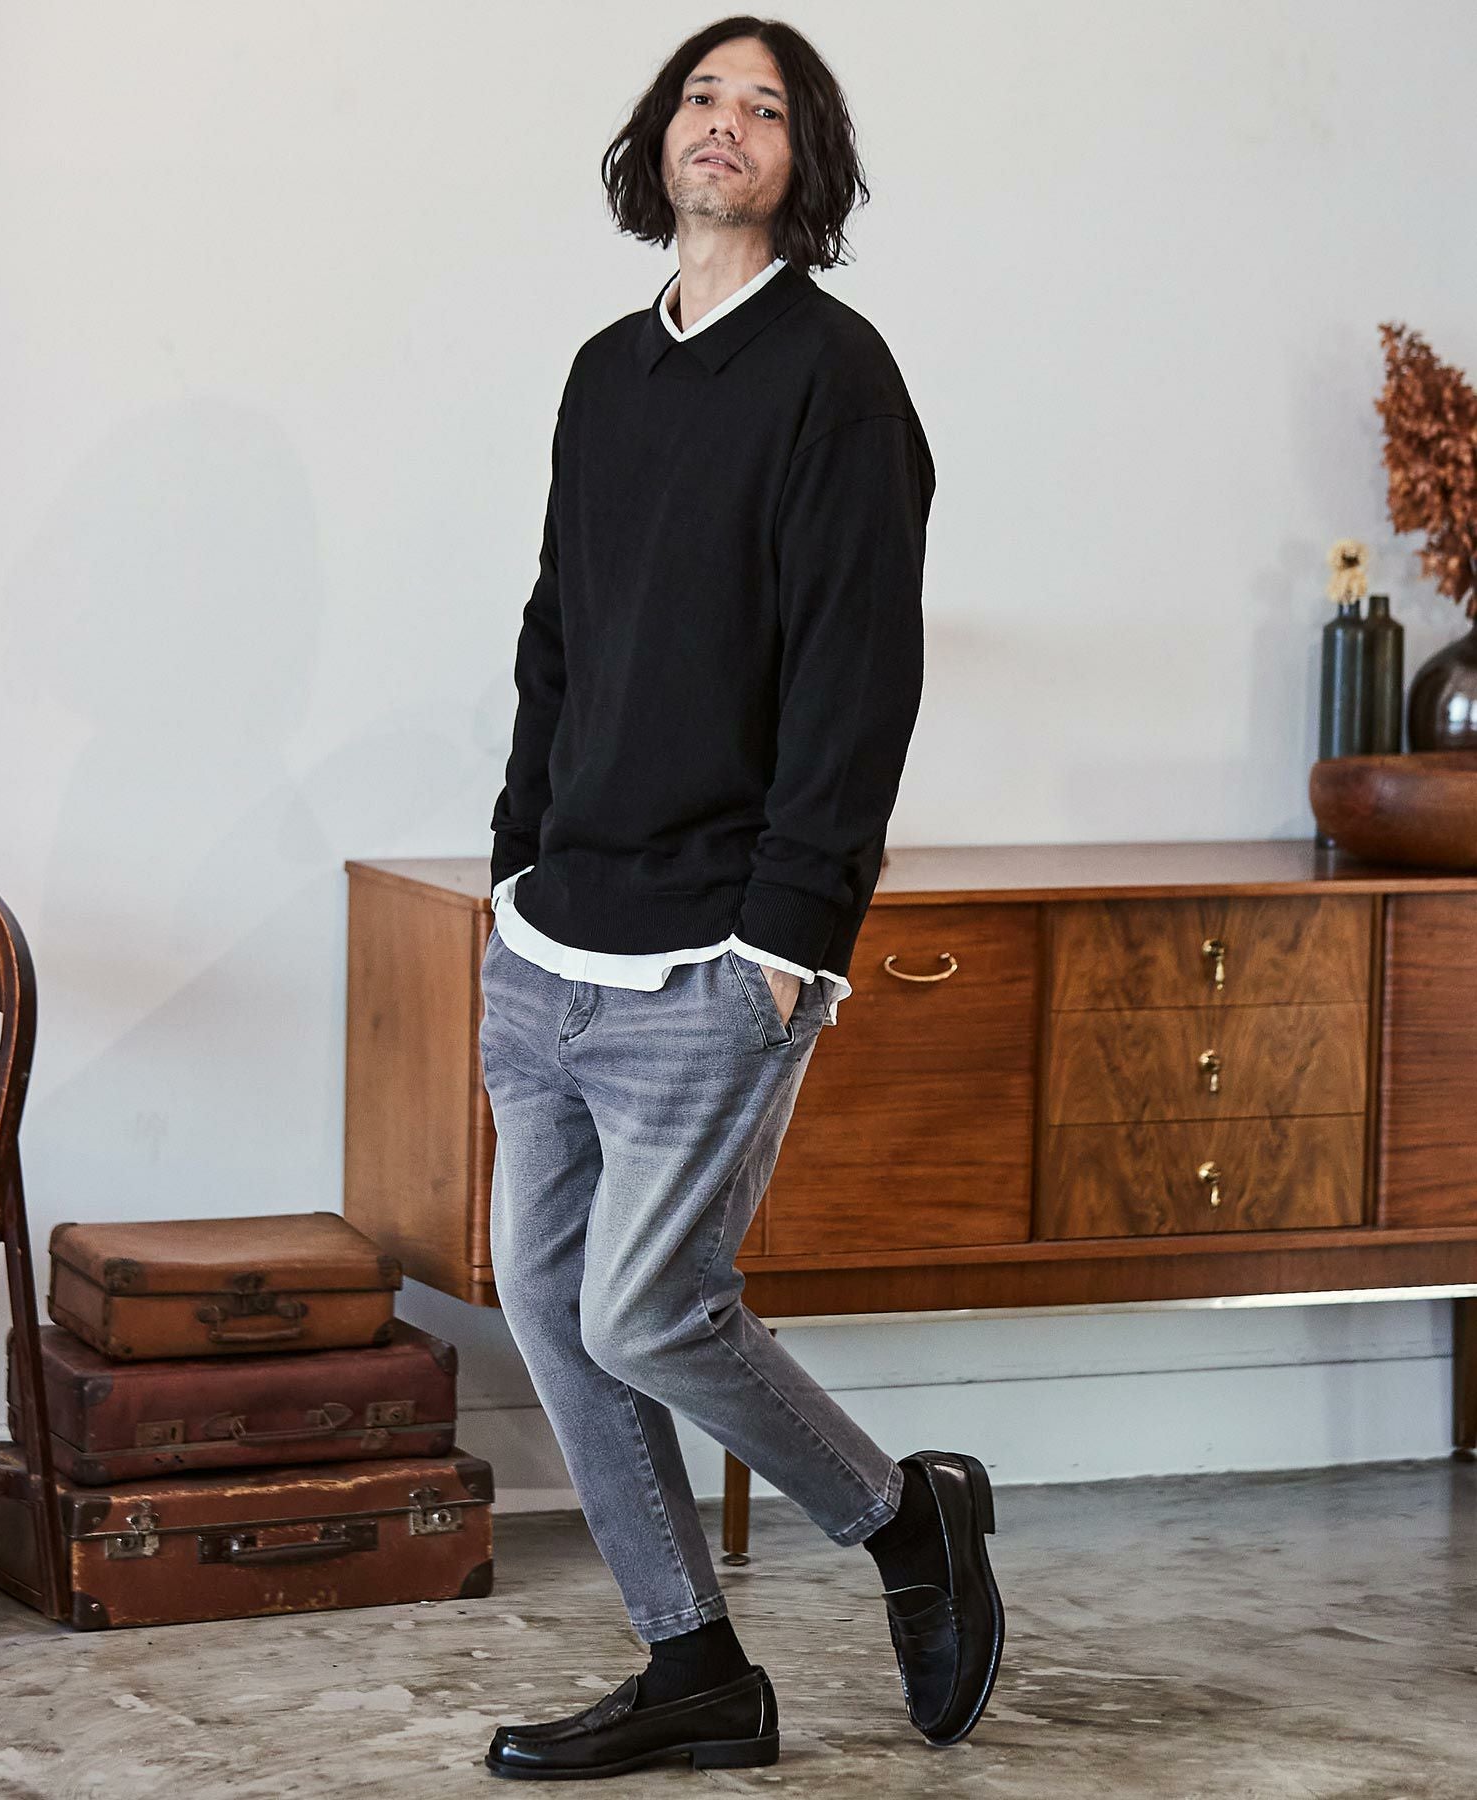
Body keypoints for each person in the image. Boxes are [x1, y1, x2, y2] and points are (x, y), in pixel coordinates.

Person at [478, 17, 1002, 1782]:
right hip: (553, 937)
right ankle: (695, 1665)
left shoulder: (838, 379)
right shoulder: (603, 373)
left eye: (764, 107)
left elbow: (862, 677)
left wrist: (792, 938)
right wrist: (513, 858)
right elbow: (558, 630)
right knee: (551, 1308)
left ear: (803, 162)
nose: (725, 124)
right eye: (703, 96)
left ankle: (904, 1518)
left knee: (643, 1308)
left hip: (719, 944)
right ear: (661, 138)